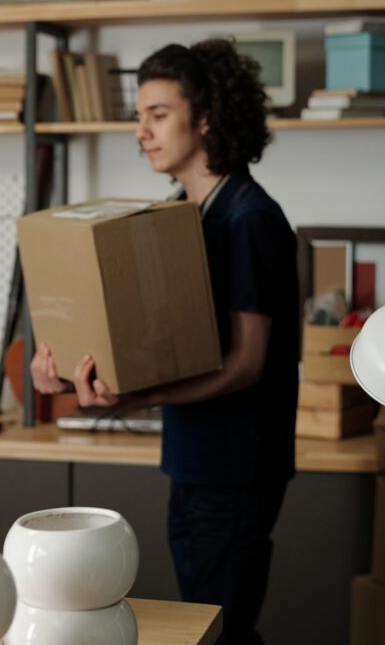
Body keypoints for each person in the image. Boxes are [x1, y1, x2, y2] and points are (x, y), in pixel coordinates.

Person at [31, 39, 299, 645]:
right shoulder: (179, 214)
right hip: (193, 459)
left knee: (218, 630)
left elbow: (247, 364)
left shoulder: (249, 217)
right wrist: (71, 371)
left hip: (237, 466)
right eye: (137, 117)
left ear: (204, 117)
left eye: (157, 115)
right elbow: (158, 343)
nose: (141, 133)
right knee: (204, 625)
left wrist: (129, 403)